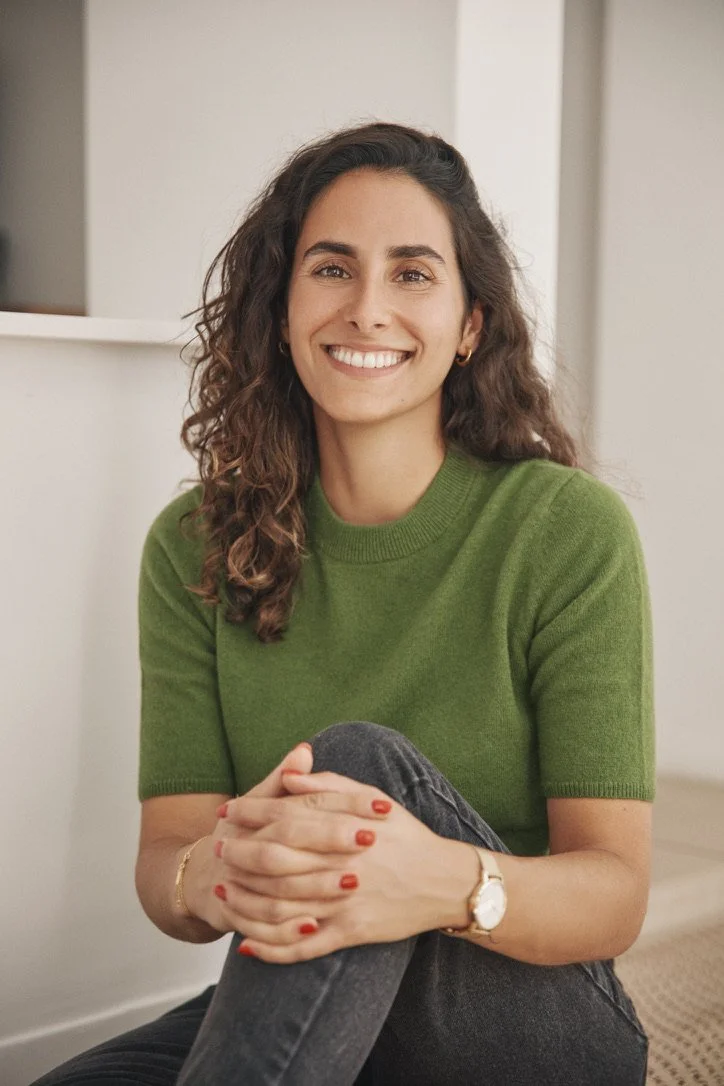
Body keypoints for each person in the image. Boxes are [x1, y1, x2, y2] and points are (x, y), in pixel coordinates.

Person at [32, 120, 653, 1085]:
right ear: (282, 312)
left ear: (470, 325)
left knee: (351, 765)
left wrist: (439, 882)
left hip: (525, 1014)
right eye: (331, 269)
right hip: (312, 987)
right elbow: (167, 861)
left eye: (412, 273)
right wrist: (217, 871)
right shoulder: (194, 546)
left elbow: (614, 893)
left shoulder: (566, 531)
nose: (367, 309)